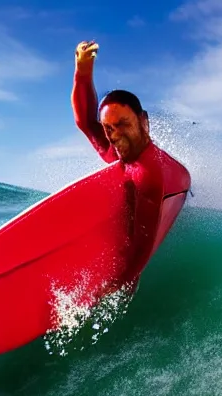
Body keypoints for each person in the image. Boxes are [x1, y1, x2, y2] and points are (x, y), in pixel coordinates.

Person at [71, 40, 191, 285]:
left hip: (177, 186)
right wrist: (83, 71)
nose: (115, 135)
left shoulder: (148, 173)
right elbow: (84, 120)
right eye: (109, 127)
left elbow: (142, 243)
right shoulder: (110, 145)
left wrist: (123, 281)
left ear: (143, 122)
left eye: (124, 124)